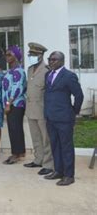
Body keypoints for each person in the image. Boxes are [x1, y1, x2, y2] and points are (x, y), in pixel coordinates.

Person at [43, 51, 83, 186]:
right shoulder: (48, 74)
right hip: (50, 117)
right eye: (49, 59)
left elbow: (79, 96)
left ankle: (69, 175)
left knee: (66, 147)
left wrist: (73, 112)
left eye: (54, 59)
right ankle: (58, 171)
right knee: (55, 145)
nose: (51, 62)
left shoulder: (69, 76)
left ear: (62, 61)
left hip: (64, 118)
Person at [24, 43, 54, 175]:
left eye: (35, 55)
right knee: (35, 137)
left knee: (46, 138)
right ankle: (38, 159)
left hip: (42, 109)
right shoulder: (30, 69)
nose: (32, 57)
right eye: (30, 54)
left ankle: (48, 164)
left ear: (41, 55)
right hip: (31, 108)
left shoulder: (47, 70)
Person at [2, 45, 27, 165]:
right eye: (6, 54)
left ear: (16, 57)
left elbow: (17, 89)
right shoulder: (10, 71)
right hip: (11, 104)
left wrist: (8, 104)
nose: (6, 57)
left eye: (9, 55)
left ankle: (15, 154)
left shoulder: (19, 71)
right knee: (14, 129)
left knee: (15, 129)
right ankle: (19, 152)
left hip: (16, 104)